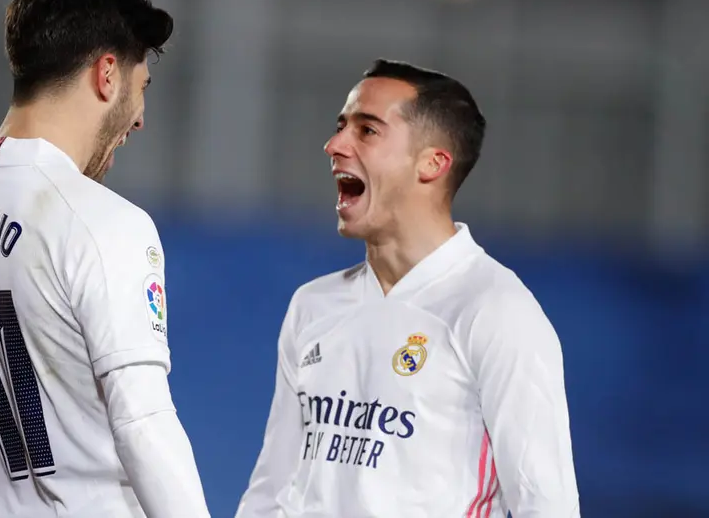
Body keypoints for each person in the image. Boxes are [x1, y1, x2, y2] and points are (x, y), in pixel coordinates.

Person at [0, 0, 211, 518]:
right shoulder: (105, 223)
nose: (140, 119)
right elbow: (142, 422)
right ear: (107, 75)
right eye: (142, 88)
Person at [235, 59, 579, 517]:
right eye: (341, 127)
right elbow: (273, 490)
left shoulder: (496, 310)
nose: (334, 145)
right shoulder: (313, 306)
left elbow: (547, 504)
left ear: (433, 163)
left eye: (367, 130)